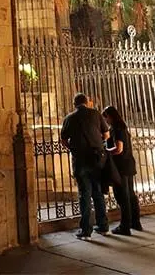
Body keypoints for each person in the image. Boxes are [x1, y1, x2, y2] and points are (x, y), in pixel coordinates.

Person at [60, 93, 109, 239]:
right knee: (98, 193)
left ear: (74, 104)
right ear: (87, 102)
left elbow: (63, 140)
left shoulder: (69, 118)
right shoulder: (95, 114)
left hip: (80, 160)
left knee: (85, 195)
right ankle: (103, 226)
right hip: (96, 159)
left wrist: (73, 148)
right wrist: (97, 143)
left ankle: (86, 230)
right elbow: (106, 134)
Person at [103, 105, 143, 234]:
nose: (106, 121)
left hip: (121, 167)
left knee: (122, 196)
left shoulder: (117, 129)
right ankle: (135, 222)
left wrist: (106, 151)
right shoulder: (123, 128)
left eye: (106, 118)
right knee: (130, 194)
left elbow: (118, 148)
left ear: (110, 116)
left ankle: (125, 226)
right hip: (128, 164)